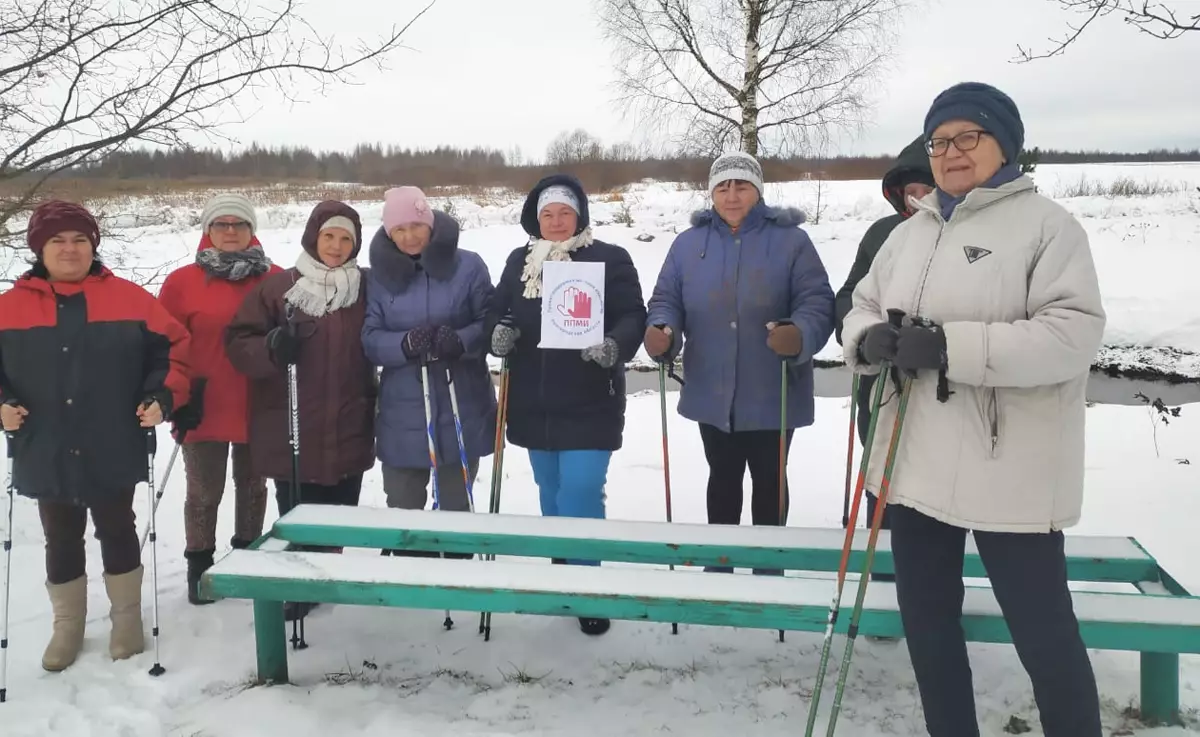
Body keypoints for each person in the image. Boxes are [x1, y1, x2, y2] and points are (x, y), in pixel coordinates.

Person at [840, 82, 1105, 737]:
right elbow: (863, 304)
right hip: (915, 462)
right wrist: (867, 338)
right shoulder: (913, 231)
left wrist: (951, 346)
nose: (951, 152)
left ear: (1003, 144)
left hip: (1009, 467)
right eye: (939, 141)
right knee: (928, 629)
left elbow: (1072, 335)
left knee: (1045, 637)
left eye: (968, 137)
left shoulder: (1048, 227)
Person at [0, 200, 190, 671]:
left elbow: (174, 353)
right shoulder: (9, 307)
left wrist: (161, 397)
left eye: (80, 240)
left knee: (117, 527)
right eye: (58, 241)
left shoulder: (129, 298)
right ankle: (68, 625)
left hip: (113, 436)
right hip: (43, 441)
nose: (70, 249)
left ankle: (126, 618)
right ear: (39, 250)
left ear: (93, 246)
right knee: (59, 536)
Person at [644, 152, 835, 573]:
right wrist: (662, 329)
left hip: (773, 390)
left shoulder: (791, 241)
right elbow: (666, 299)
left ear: (758, 190)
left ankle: (768, 568)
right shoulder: (688, 244)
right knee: (723, 479)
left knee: (770, 483)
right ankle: (721, 565)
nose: (731, 195)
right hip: (712, 388)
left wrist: (800, 332)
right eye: (723, 187)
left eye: (741, 185)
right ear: (711, 193)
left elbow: (817, 300)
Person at [486, 173, 647, 636]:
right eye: (548, 214)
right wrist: (500, 333)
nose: (556, 222)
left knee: (580, 488)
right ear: (535, 218)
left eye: (565, 212)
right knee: (550, 487)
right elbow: (500, 311)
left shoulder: (608, 258)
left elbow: (632, 314)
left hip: (590, 396)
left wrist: (616, 344)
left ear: (580, 215)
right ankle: (562, 564)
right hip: (534, 398)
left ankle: (586, 583)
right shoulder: (521, 261)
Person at [225, 200, 376, 621]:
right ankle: (297, 580)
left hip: (349, 418)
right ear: (313, 237)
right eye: (329, 236)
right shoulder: (279, 288)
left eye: (346, 238)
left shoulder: (365, 289)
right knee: (297, 508)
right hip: (291, 420)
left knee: (340, 507)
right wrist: (270, 348)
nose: (336, 245)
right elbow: (238, 342)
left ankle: (328, 575)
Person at [158, 193, 281, 605]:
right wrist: (174, 394)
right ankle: (201, 567)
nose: (231, 232)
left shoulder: (277, 278)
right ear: (207, 231)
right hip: (202, 403)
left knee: (252, 485)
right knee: (203, 491)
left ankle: (247, 558)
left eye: (239, 224)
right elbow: (163, 345)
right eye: (222, 224)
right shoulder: (181, 283)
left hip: (258, 400)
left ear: (252, 231)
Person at [362, 187, 496, 556]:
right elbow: (369, 338)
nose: (409, 236)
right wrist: (403, 344)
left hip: (459, 402)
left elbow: (490, 323)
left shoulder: (468, 266)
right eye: (399, 229)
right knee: (404, 507)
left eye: (416, 226)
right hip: (403, 408)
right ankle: (408, 578)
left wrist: (462, 340)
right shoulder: (377, 277)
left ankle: (456, 570)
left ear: (430, 224)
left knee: (455, 507)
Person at [833, 136, 935, 573]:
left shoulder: (967, 234)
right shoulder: (882, 233)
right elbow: (850, 296)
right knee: (883, 477)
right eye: (908, 190)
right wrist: (864, 334)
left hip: (942, 389)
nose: (916, 198)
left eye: (925, 188)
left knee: (932, 490)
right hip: (881, 387)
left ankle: (928, 580)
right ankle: (880, 574)